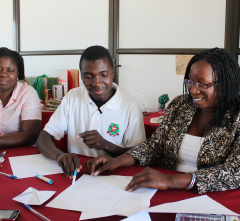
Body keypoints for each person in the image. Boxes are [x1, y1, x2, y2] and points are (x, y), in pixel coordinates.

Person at [86, 47, 240, 194]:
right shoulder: (181, 105)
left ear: (225, 84)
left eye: (202, 84)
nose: (193, 90)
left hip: (214, 197)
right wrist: (117, 161)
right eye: (190, 81)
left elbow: (234, 172)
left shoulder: (236, 117)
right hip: (170, 192)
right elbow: (155, 146)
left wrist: (169, 180)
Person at [36, 45, 146, 179]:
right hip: (77, 174)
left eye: (104, 75)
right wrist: (59, 156)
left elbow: (139, 154)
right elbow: (44, 138)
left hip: (114, 176)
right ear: (81, 75)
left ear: (113, 72)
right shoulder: (72, 97)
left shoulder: (129, 105)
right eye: (88, 76)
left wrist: (106, 145)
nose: (96, 83)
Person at [0, 47, 42, 148]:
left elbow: (30, 136)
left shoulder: (28, 93)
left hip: (21, 152)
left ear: (18, 73)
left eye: (10, 71)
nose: (3, 74)